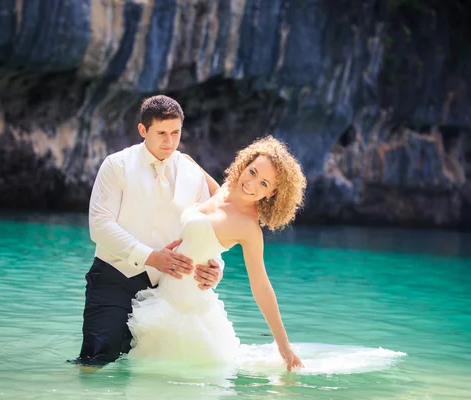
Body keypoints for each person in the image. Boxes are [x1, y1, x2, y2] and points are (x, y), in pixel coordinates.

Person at [127, 136, 308, 371]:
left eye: (264, 184)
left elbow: (261, 286)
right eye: (252, 172)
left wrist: (283, 344)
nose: (251, 184)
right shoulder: (224, 190)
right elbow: (188, 161)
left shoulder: (248, 228)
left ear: (273, 193)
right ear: (244, 164)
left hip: (183, 309)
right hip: (162, 293)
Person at [73, 95, 225, 367]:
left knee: (146, 368)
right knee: (96, 360)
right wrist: (151, 257)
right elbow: (100, 224)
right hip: (113, 276)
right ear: (143, 131)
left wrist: (216, 267)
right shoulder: (116, 165)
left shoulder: (193, 174)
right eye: (161, 133)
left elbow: (205, 229)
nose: (169, 142)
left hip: (168, 288)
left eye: (176, 133)